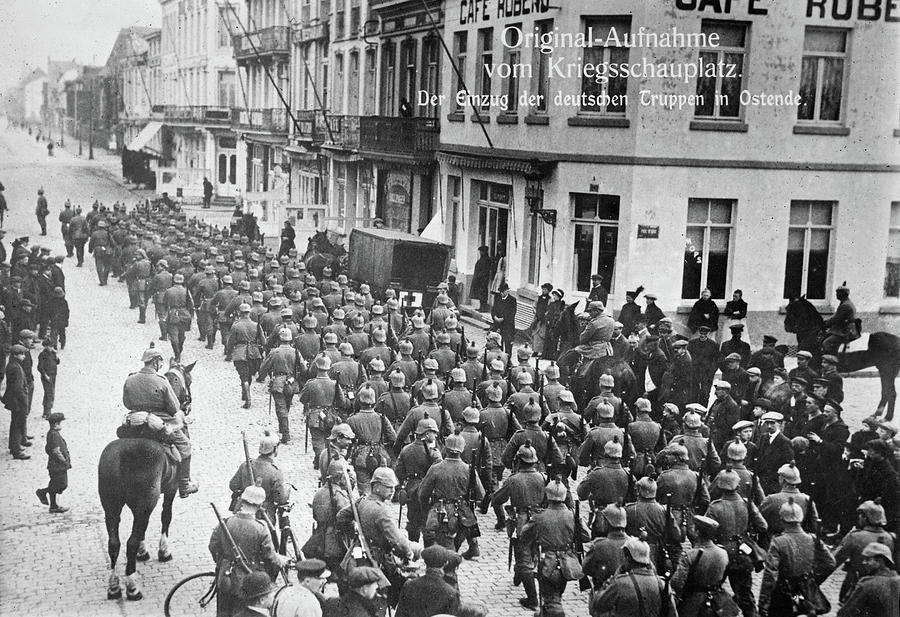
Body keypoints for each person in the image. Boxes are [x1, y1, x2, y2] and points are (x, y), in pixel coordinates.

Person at [121, 346, 198, 497]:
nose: (161, 365)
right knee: (185, 445)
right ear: (155, 362)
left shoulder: (130, 379)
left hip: (135, 420)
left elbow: (126, 403)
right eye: (160, 362)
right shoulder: (161, 381)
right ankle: (184, 485)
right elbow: (174, 407)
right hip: (159, 421)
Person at [209, 485, 289, 617]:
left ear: (242, 501)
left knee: (223, 611)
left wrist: (222, 562)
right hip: (248, 578)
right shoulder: (260, 527)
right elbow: (270, 555)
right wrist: (281, 561)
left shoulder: (226, 522)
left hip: (225, 577)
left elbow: (213, 546)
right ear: (260, 505)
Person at [757, 499, 836, 617]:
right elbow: (830, 563)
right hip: (807, 591)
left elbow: (770, 574)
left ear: (782, 519)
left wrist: (763, 602)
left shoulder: (778, 541)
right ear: (801, 518)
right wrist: (814, 581)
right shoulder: (813, 539)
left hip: (783, 592)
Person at [671, 515, 740, 617]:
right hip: (716, 602)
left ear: (698, 533)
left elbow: (676, 583)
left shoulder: (690, 555)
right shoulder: (723, 553)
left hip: (693, 604)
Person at [590, 537, 678, 617]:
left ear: (628, 558)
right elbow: (673, 614)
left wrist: (612, 579)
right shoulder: (661, 584)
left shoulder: (620, 584)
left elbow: (596, 607)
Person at [394, 545, 460, 617]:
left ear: (425, 562)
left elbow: (400, 614)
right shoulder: (450, 593)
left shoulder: (409, 585)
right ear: (445, 564)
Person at [837, 542, 900, 617]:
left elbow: (845, 613)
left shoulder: (867, 585)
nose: (864, 562)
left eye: (867, 559)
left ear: (879, 561)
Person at [35, 412, 70, 513]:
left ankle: (53, 505)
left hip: (56, 465)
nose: (61, 426)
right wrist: (63, 461)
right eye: (60, 423)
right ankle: (43, 493)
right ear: (55, 424)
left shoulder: (53, 433)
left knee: (55, 484)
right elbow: (56, 450)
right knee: (61, 484)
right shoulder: (54, 435)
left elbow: (47, 449)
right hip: (57, 466)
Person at [2, 344, 31, 459]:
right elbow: (18, 388)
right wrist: (24, 400)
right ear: (15, 355)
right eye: (21, 354)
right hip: (18, 402)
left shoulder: (12, 365)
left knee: (15, 424)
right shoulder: (16, 367)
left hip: (14, 401)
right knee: (17, 425)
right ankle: (16, 450)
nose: (23, 356)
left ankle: (13, 446)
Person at [822, 282, 857, 355]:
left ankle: (831, 361)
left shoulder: (845, 305)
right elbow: (836, 317)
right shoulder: (845, 303)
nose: (836, 295)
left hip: (845, 331)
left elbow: (835, 319)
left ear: (842, 294)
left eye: (837, 293)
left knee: (827, 343)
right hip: (843, 328)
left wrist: (823, 324)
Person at [490, 283, 517, 357]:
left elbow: (512, 313)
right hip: (498, 324)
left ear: (507, 291)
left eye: (503, 292)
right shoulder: (497, 297)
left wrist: (503, 319)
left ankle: (508, 360)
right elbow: (493, 309)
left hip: (508, 325)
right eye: (500, 292)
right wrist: (494, 317)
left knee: (508, 343)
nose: (501, 293)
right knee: (498, 343)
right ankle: (499, 357)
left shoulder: (512, 300)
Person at [37, 338, 59, 417]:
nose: (51, 348)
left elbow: (57, 362)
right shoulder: (42, 354)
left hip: (53, 375)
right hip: (47, 376)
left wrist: (56, 355)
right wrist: (45, 375)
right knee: (50, 393)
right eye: (49, 346)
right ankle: (48, 412)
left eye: (52, 346)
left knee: (49, 393)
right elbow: (40, 367)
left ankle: (45, 412)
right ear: (45, 346)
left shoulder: (53, 353)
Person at [470, 245, 491, 311]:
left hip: (483, 279)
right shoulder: (482, 259)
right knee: (480, 293)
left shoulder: (486, 259)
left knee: (483, 293)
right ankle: (481, 307)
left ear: (485, 252)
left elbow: (484, 270)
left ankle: (483, 307)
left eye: (481, 251)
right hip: (480, 279)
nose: (480, 253)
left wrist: (479, 277)